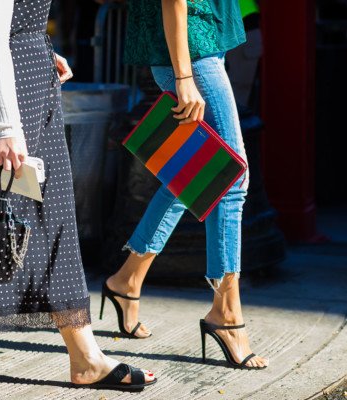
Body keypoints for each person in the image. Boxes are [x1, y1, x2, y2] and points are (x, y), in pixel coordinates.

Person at [0, 0, 155, 395]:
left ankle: (85, 357)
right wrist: (7, 126)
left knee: (56, 222)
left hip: (32, 85)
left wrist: (40, 50)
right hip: (6, 105)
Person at [103, 0, 269, 369]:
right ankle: (226, 313)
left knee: (193, 178)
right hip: (191, 54)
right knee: (231, 179)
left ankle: (127, 279)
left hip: (202, 45)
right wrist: (184, 78)